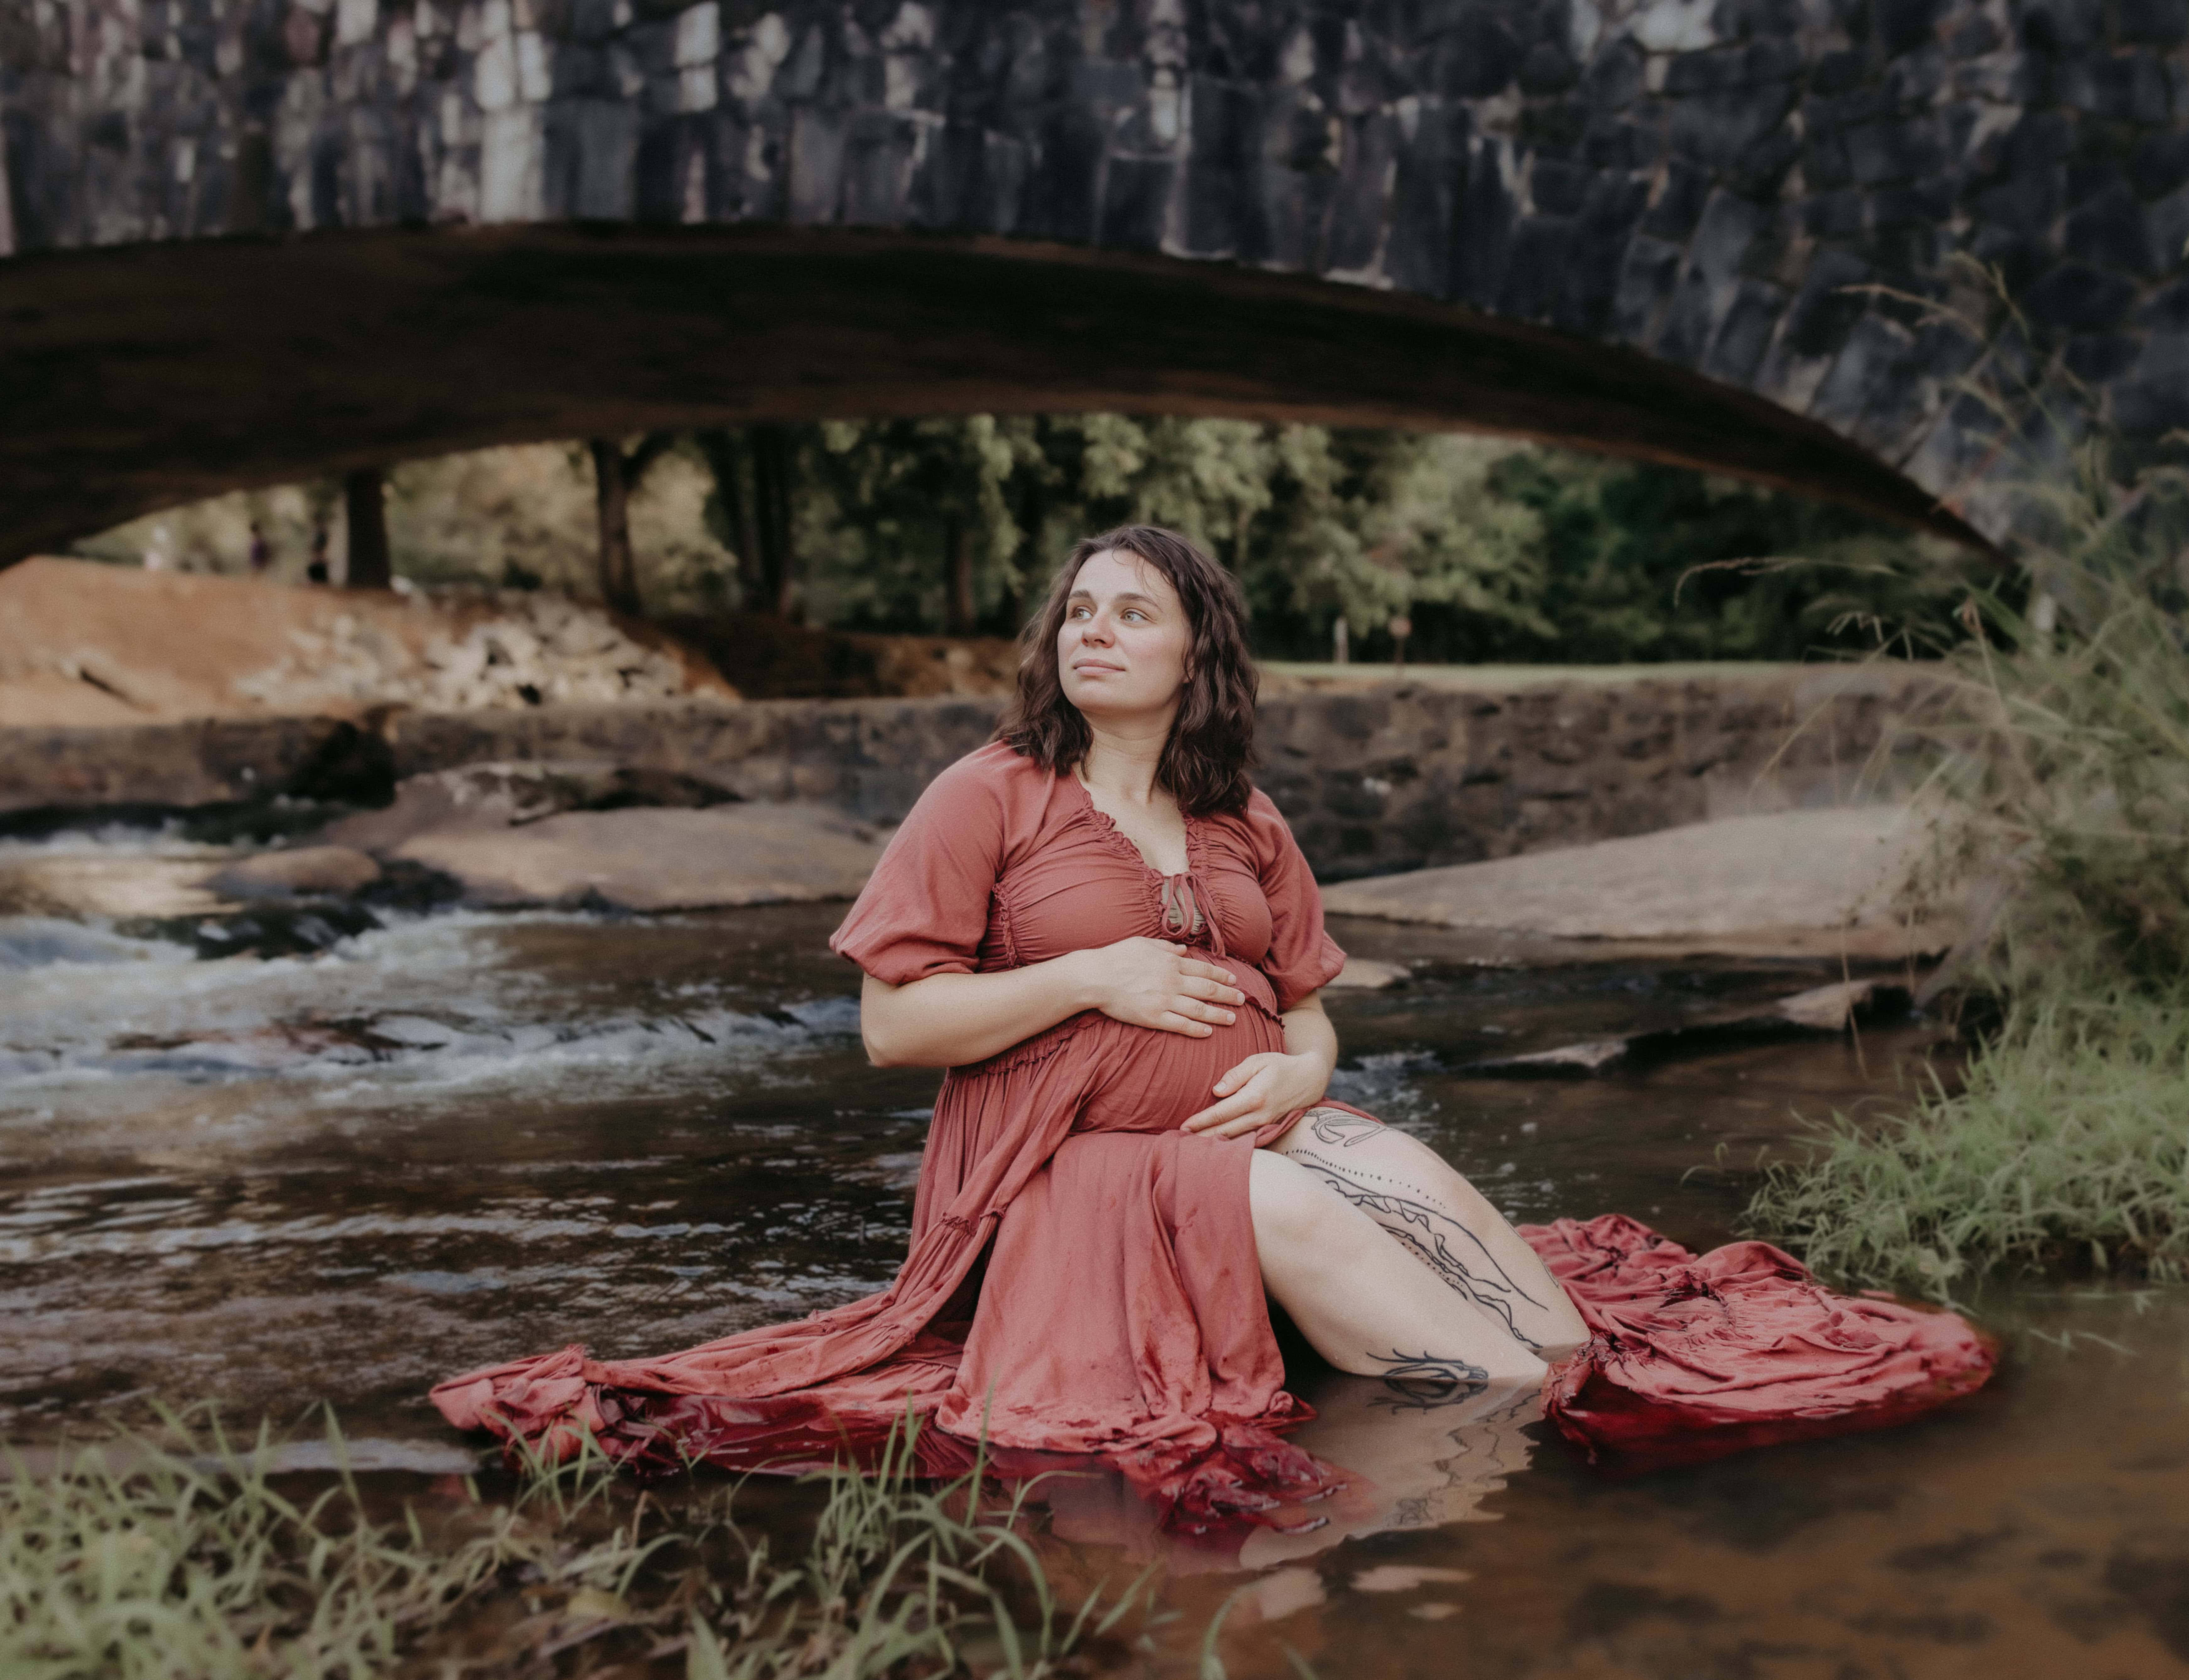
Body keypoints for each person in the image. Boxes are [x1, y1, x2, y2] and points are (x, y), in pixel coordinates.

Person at [434, 525, 1991, 1526]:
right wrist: (1091, 983)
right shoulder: (989, 794)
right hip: (1075, 1163)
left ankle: (1551, 1431)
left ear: (1198, 653)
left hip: (1269, 1117)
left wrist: (1298, 1069)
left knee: (1554, 1320)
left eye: (1133, 614)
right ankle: (1521, 1503)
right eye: (1077, 612)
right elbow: (890, 1030)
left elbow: (1313, 1012)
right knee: (1453, 1340)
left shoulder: (1240, 812)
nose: (1092, 633)